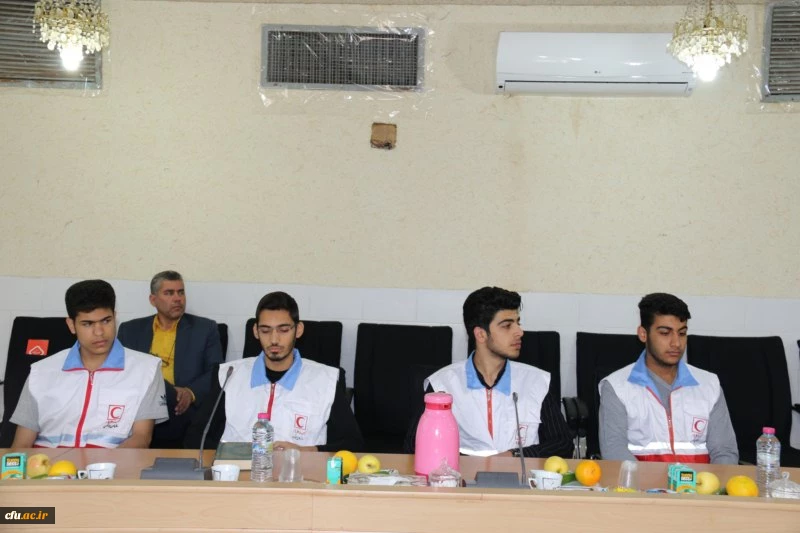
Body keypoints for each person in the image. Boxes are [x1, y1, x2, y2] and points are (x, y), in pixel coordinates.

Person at [185, 291, 363, 452]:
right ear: (256, 331)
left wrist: (306, 452)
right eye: (265, 330)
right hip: (238, 475)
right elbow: (195, 439)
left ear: (298, 330)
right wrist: (240, 453)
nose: (274, 339)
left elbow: (353, 444)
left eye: (283, 330)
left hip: (301, 474)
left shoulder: (326, 380)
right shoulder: (228, 375)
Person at [408, 287, 573, 458]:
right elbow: (414, 445)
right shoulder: (442, 385)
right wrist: (472, 462)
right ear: (481, 334)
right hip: (460, 473)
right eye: (507, 326)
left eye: (518, 323)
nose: (519, 332)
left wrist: (513, 456)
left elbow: (563, 444)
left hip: (521, 474)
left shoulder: (536, 382)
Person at [11, 280, 167, 448]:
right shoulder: (41, 371)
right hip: (46, 463)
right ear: (71, 325)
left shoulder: (146, 369)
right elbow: (20, 446)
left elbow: (141, 439)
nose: (99, 332)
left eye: (106, 321)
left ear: (115, 317)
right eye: (87, 324)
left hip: (113, 462)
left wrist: (103, 465)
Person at [599, 292, 738, 464]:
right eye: (665, 333)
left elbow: (725, 452)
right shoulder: (617, 387)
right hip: (641, 481)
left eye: (682, 333)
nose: (676, 343)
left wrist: (708, 481)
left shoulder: (709, 385)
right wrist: (656, 482)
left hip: (700, 481)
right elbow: (614, 451)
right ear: (643, 334)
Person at [117, 270, 223, 448]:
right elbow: (122, 371)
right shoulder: (130, 330)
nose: (177, 299)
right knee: (156, 381)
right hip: (141, 408)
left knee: (163, 387)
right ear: (153, 300)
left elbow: (216, 370)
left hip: (184, 410)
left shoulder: (205, 329)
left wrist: (190, 392)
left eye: (181, 292)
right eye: (169, 293)